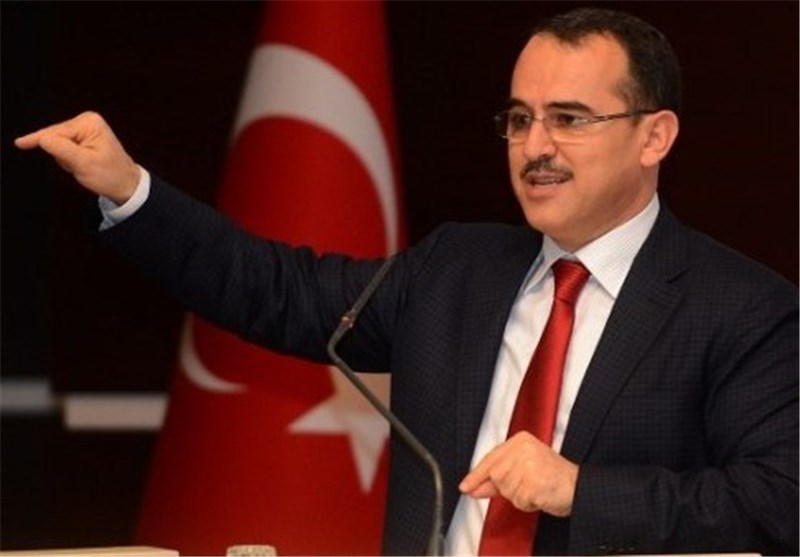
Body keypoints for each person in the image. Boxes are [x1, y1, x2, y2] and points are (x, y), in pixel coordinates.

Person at [15, 7, 798, 556]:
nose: (535, 146)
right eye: (519, 119)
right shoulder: (455, 269)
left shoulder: (744, 309)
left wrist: (578, 489)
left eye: (568, 118)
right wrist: (129, 189)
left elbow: (778, 503)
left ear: (654, 136)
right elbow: (274, 290)